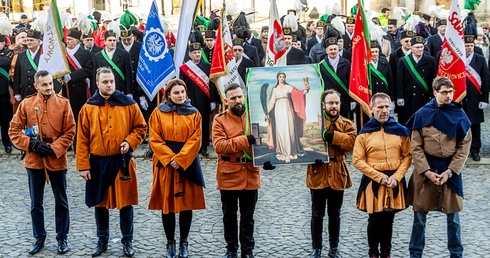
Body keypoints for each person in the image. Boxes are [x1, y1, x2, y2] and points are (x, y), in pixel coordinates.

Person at [76, 68, 147, 257]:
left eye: (111, 81)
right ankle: (102, 241)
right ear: (97, 84)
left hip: (122, 162)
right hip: (97, 163)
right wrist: (83, 165)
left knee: (126, 204)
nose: (109, 85)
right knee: (99, 203)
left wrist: (130, 142)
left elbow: (141, 127)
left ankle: (127, 242)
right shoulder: (88, 108)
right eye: (105, 82)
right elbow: (81, 139)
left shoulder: (129, 104)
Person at [9, 70, 76, 255]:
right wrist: (30, 143)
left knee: (61, 202)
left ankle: (62, 237)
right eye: (44, 84)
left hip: (57, 160)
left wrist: (54, 148)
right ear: (36, 86)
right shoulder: (27, 104)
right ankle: (39, 237)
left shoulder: (63, 104)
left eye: (50, 83)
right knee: (35, 203)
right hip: (34, 161)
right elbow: (13, 131)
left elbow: (70, 131)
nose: (48, 87)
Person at [406, 76, 472, 258]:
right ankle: (415, 253)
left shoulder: (460, 115)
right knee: (419, 217)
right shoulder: (422, 114)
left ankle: (456, 254)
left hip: (449, 171)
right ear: (435, 93)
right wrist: (426, 171)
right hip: (425, 170)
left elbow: (464, 147)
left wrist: (450, 172)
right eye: (444, 92)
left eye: (451, 91)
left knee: (454, 218)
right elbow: (415, 146)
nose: (449, 95)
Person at [148, 78, 206, 258]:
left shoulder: (194, 114)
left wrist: (180, 159)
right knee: (168, 206)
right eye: (176, 93)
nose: (180, 96)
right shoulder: (157, 113)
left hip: (187, 164)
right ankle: (170, 242)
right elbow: (154, 139)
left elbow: (196, 139)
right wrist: (169, 158)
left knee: (186, 205)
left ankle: (184, 242)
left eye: (182, 92)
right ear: (168, 95)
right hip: (165, 166)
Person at [353, 93, 411, 258]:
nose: (384, 110)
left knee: (388, 219)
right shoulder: (364, 133)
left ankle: (386, 253)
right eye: (380, 107)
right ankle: (373, 252)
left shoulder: (400, 131)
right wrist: (378, 177)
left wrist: (397, 177)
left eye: (387, 106)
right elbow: (357, 160)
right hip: (374, 182)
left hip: (394, 181)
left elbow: (407, 156)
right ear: (371, 109)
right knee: (374, 219)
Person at [212, 83, 261, 258]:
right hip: (229, 174)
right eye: (233, 98)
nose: (238, 100)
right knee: (229, 216)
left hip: (250, 173)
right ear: (226, 101)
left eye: (240, 96)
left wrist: (269, 159)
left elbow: (265, 140)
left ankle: (247, 250)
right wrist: (245, 140)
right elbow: (219, 146)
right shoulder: (219, 119)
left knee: (248, 217)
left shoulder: (254, 116)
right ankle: (231, 248)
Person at [307, 89, 356, 258]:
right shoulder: (314, 123)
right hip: (317, 172)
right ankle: (316, 248)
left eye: (336, 103)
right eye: (330, 103)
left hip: (337, 173)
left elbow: (352, 143)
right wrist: (312, 157)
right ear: (323, 105)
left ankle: (334, 248)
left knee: (335, 214)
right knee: (317, 214)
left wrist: (334, 136)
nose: (334, 106)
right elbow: (304, 143)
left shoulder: (347, 124)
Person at [179, 42, 220, 156]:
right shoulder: (185, 68)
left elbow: (212, 85)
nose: (197, 55)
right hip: (191, 100)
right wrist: (185, 98)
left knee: (204, 123)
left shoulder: (207, 66)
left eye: (198, 52)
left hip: (204, 100)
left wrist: (213, 100)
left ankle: (204, 146)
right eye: (194, 53)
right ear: (190, 54)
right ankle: (194, 146)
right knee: (192, 124)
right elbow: (183, 85)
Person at [266, 72, 309, 163]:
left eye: (283, 77)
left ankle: (292, 152)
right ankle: (284, 152)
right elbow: (272, 102)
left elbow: (299, 94)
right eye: (280, 77)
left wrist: (306, 88)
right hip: (278, 111)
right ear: (277, 78)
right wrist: (266, 112)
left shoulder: (288, 87)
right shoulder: (275, 89)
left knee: (290, 130)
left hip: (288, 109)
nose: (282, 78)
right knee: (281, 131)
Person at [395, 35, 437, 125]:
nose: (419, 49)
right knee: (409, 123)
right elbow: (400, 81)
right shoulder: (403, 61)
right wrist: (400, 97)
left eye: (421, 47)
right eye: (417, 47)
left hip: (426, 97)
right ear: (411, 48)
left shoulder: (430, 60)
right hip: (409, 97)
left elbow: (434, 79)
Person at [461, 35, 490, 161]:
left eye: (471, 46)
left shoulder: (480, 59)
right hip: (461, 98)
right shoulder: (458, 59)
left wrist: (484, 99)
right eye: (467, 46)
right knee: (461, 125)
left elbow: (485, 80)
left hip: (475, 98)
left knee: (475, 125)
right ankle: (462, 150)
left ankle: (475, 150)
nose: (469, 48)